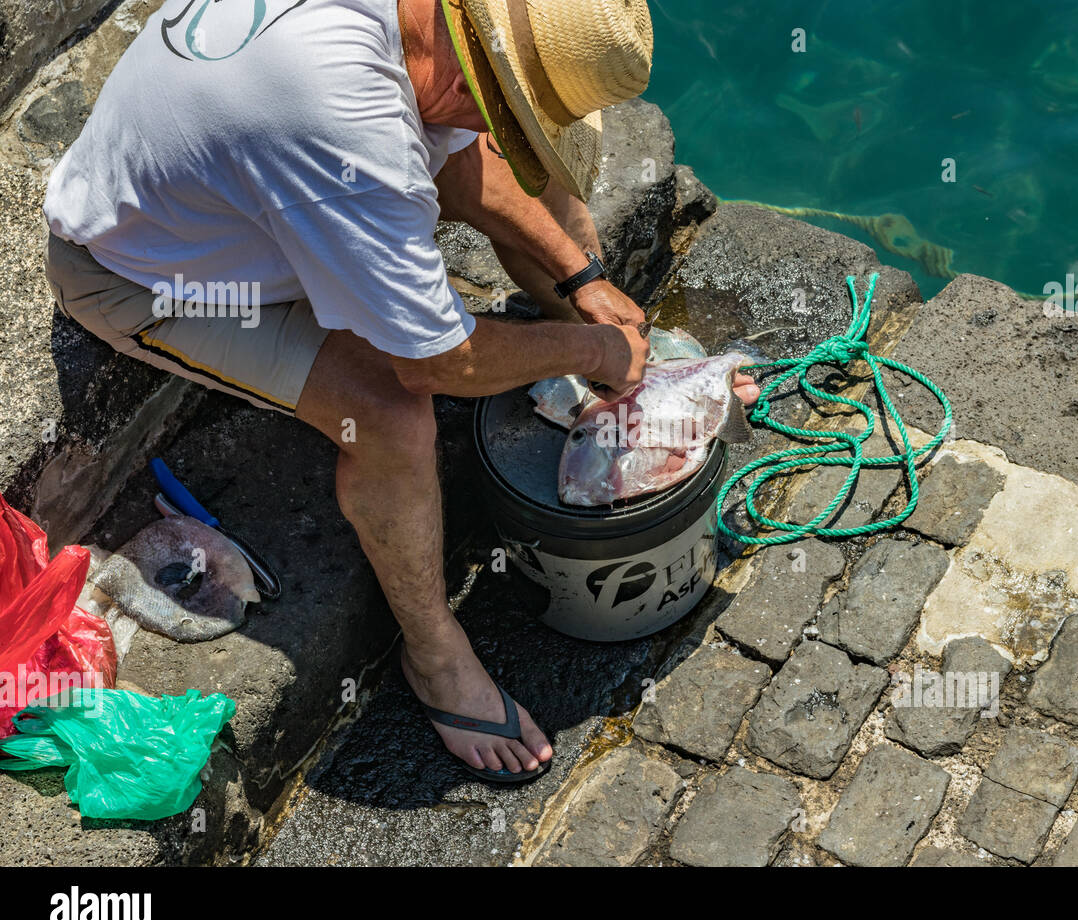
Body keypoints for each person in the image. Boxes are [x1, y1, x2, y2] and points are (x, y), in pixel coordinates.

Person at [43, 0, 756, 783]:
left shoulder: (415, 30)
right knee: (386, 413)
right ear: (467, 56)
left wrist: (583, 282)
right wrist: (588, 343)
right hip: (153, 274)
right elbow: (435, 364)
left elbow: (462, 152)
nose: (503, 130)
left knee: (548, 201)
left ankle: (638, 383)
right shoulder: (346, 128)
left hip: (248, 184)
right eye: (510, 112)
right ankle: (435, 656)